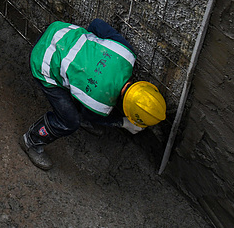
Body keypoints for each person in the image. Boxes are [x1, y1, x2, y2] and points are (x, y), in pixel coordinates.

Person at [19, 18, 167, 170]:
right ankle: (31, 141)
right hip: (43, 62)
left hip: (60, 31)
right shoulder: (99, 104)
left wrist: (87, 59)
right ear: (127, 112)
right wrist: (123, 123)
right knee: (70, 121)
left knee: (82, 88)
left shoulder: (126, 53)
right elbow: (91, 115)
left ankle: (75, 96)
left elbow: (97, 24)